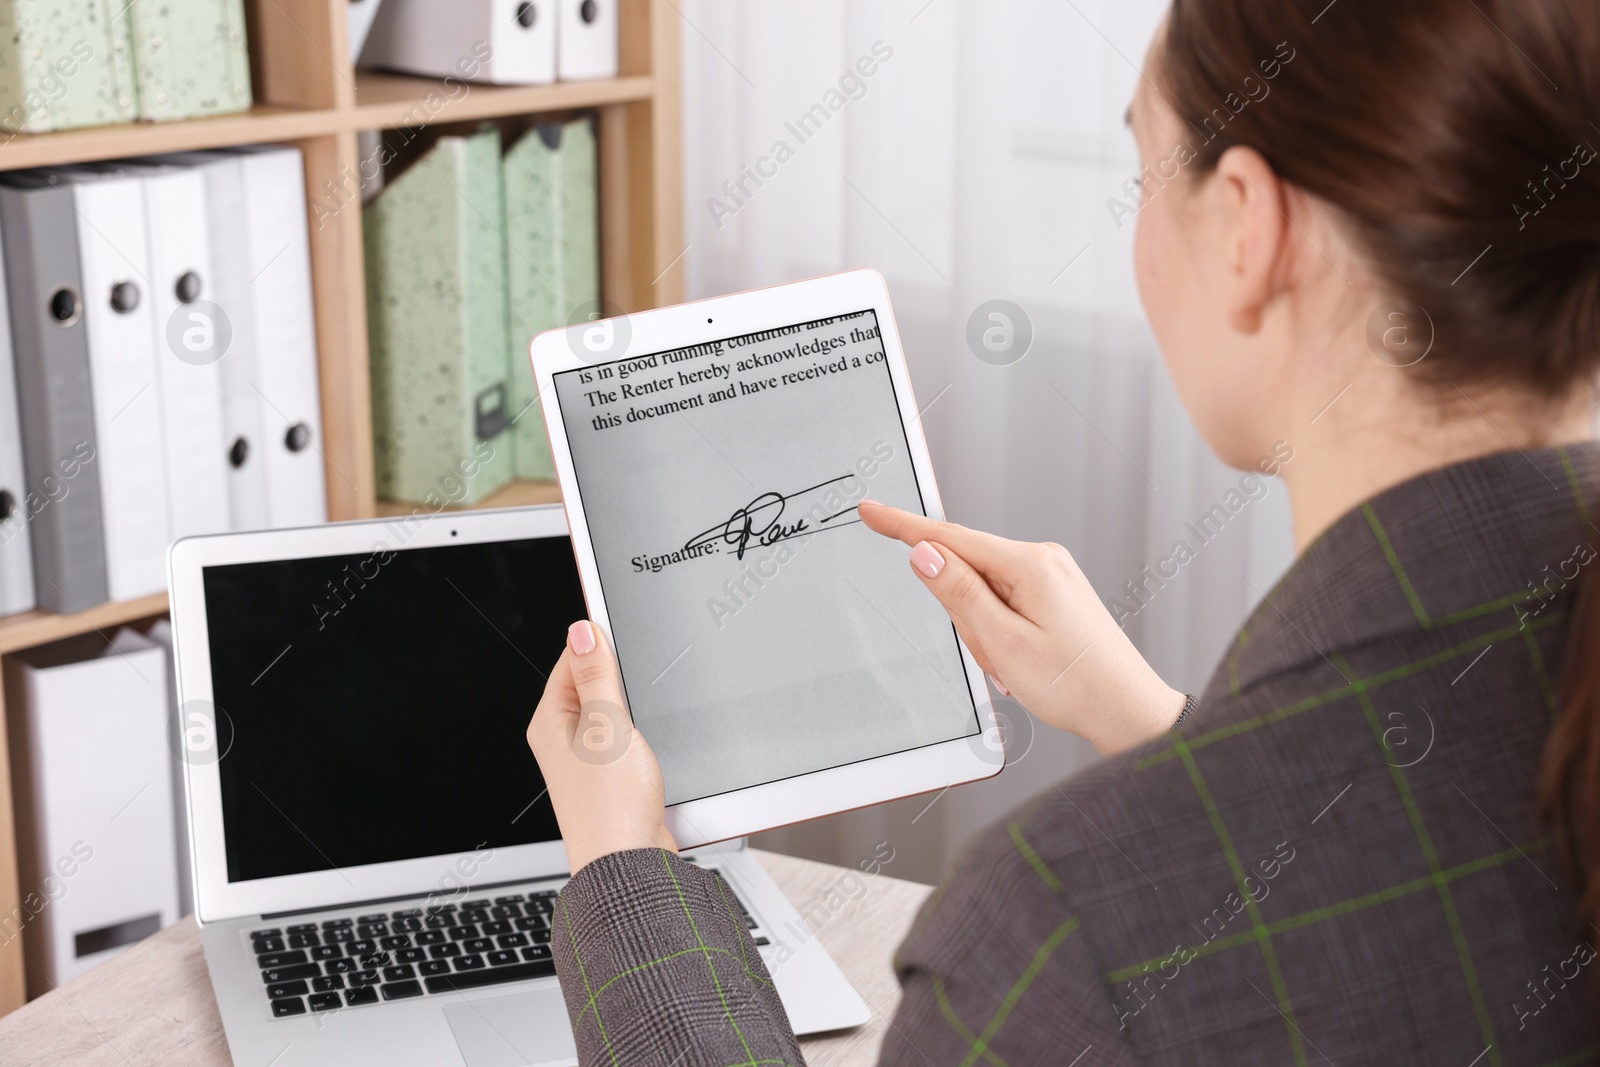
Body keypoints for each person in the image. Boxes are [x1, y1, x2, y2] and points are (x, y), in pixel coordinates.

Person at [526, 0, 1600, 1062]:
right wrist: (1160, 730)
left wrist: (623, 869)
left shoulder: (1065, 929)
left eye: (1143, 178)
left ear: (1247, 228)